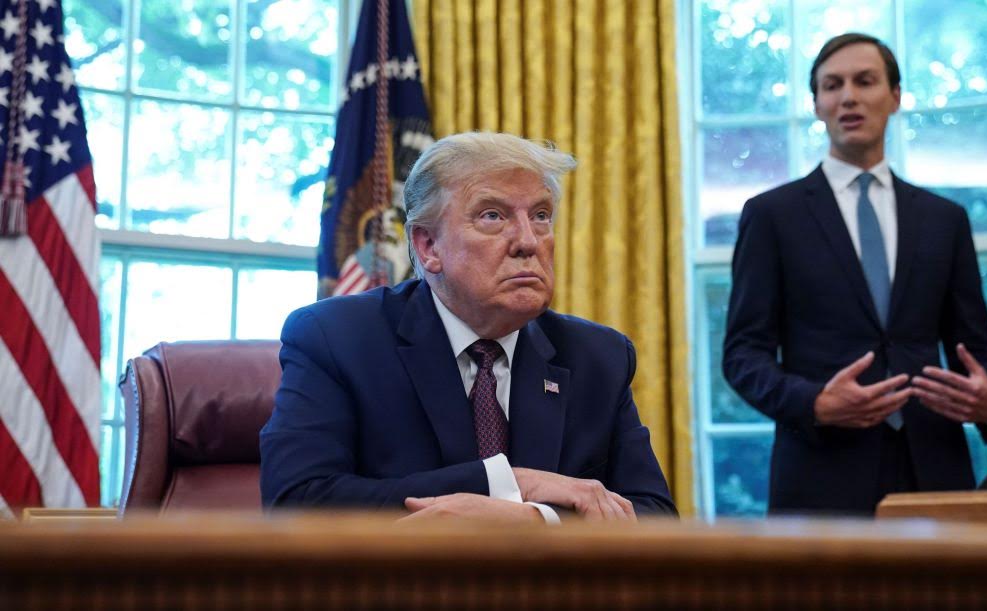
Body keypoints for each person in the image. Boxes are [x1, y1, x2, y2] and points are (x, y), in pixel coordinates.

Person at [261, 131, 676, 522]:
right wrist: (509, 483)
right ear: (428, 246)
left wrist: (538, 521)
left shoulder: (598, 356)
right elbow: (296, 501)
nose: (528, 241)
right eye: (493, 216)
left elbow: (656, 517)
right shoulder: (337, 338)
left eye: (541, 216)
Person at [723, 33, 987, 515]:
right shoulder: (772, 215)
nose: (848, 96)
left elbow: (974, 351)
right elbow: (743, 354)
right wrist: (813, 402)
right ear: (817, 105)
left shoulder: (945, 219)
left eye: (865, 81)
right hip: (819, 475)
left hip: (934, 473)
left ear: (895, 96)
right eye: (833, 85)